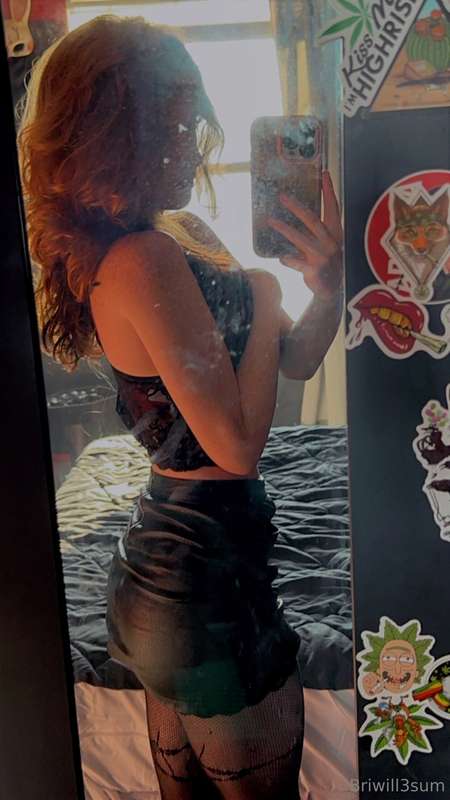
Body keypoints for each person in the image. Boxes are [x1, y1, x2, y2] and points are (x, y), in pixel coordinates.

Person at [18, 15, 343, 799]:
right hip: (202, 590)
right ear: (112, 139)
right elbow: (235, 446)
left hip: (188, 577)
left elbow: (293, 358)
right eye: (170, 126)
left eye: (192, 122)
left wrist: (326, 286)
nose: (191, 145)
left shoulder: (179, 234)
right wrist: (265, 293)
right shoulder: (139, 260)